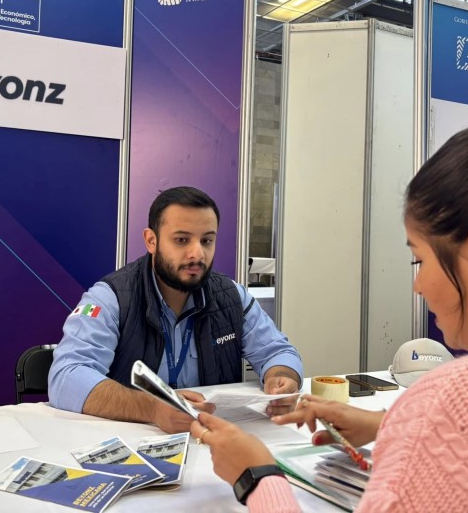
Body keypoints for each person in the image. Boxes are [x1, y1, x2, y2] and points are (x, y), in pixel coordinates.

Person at [191, 83, 468, 511]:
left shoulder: (451, 406)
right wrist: (391, 425)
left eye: (420, 260)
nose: (418, 285)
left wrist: (256, 476)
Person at [48, 186, 303, 433]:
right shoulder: (112, 298)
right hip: (134, 443)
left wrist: (281, 376)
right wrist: (152, 408)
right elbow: (66, 377)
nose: (197, 253)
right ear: (151, 241)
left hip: (214, 442)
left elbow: (278, 351)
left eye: (207, 240)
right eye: (182, 240)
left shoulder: (231, 296)